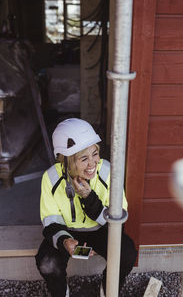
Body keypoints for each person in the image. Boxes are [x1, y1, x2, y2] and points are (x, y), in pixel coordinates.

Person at [35, 118, 138, 297]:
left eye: (95, 153)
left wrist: (88, 198)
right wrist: (64, 241)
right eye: (83, 158)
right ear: (65, 160)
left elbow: (117, 221)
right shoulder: (50, 178)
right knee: (47, 263)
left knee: (126, 253)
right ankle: (61, 292)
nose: (92, 163)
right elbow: (50, 220)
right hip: (66, 231)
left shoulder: (108, 172)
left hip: (101, 229)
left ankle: (108, 291)